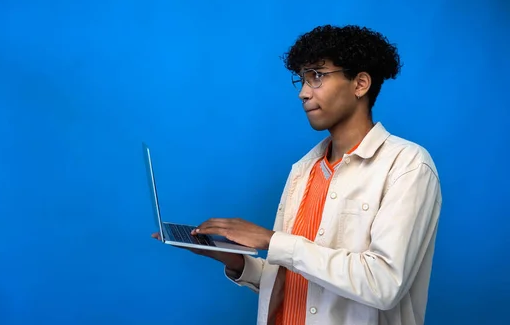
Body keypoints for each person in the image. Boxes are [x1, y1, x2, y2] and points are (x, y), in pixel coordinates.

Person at [152, 24, 442, 325]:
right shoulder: (303, 170)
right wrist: (234, 260)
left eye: (317, 76)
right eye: (302, 79)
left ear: (360, 84)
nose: (303, 93)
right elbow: (296, 281)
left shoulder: (407, 165)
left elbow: (383, 283)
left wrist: (272, 240)